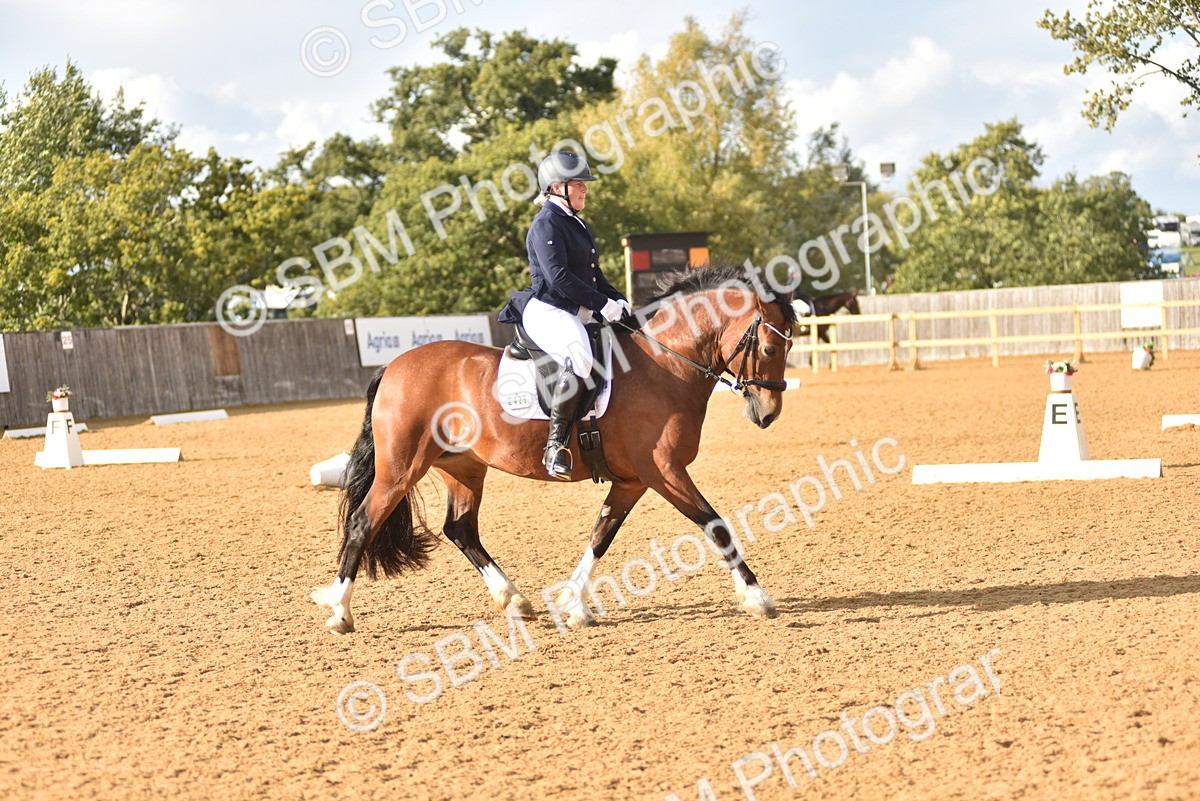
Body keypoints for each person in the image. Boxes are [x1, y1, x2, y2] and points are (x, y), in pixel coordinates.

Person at [499, 151, 630, 479]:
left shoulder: (577, 223)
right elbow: (559, 278)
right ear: (558, 188)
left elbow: (593, 275)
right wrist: (602, 305)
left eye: (585, 185)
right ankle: (555, 446)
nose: (585, 190)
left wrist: (619, 300)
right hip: (547, 309)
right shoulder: (546, 223)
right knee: (581, 357)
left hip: (573, 306)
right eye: (580, 185)